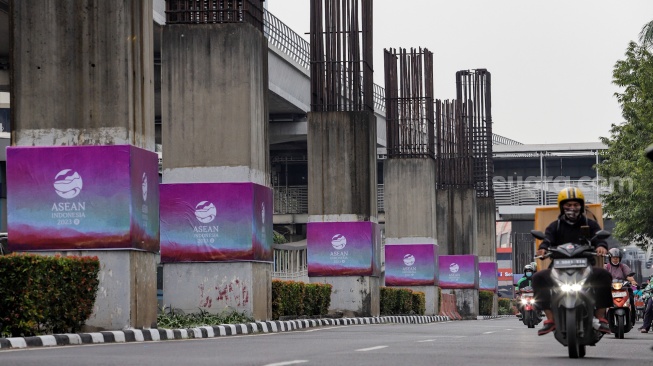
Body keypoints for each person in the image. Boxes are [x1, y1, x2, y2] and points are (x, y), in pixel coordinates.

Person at [532, 187, 612, 336]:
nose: (572, 208)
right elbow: (547, 240)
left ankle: (601, 316)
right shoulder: (554, 226)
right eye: (568, 205)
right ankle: (550, 319)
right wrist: (543, 249)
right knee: (537, 278)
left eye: (576, 205)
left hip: (585, 267)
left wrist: (601, 247)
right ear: (562, 206)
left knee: (604, 276)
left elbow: (599, 238)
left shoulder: (590, 224)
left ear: (581, 206)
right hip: (558, 268)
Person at [605, 247, 638, 324]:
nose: (615, 259)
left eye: (617, 258)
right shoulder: (606, 267)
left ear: (620, 258)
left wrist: (633, 281)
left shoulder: (623, 266)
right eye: (613, 258)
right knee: (602, 301)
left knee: (631, 300)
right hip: (610, 289)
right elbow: (603, 276)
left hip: (623, 288)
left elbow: (628, 276)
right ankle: (602, 320)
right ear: (610, 258)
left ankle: (632, 320)